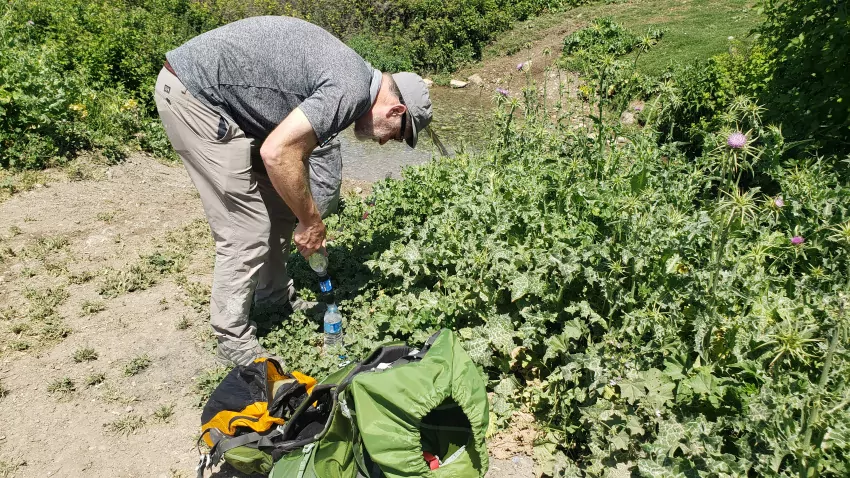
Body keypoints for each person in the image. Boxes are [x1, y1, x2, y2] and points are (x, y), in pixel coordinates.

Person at [153, 16, 433, 366]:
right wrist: (313, 221)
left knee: (281, 209)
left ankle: (273, 298)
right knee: (246, 229)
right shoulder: (350, 87)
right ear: (396, 109)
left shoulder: (353, 79)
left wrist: (302, 213)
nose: (383, 141)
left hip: (224, 100)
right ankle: (232, 340)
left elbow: (291, 153)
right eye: (395, 134)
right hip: (195, 96)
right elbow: (277, 153)